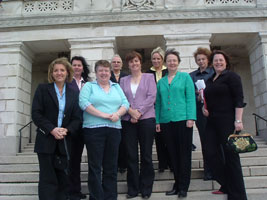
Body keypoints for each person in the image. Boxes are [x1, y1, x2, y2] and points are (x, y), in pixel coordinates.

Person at [32, 57, 81, 200]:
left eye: (62, 70)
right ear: (51, 73)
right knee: (47, 178)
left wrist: (67, 130)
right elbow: (36, 113)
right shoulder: (42, 89)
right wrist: (52, 129)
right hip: (46, 139)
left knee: (63, 178)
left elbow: (77, 118)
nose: (59, 73)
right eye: (56, 70)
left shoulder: (74, 94)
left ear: (67, 73)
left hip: (65, 140)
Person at [79, 60, 129, 200]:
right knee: (95, 166)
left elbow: (125, 103)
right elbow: (83, 102)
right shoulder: (89, 86)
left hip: (114, 129)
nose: (104, 73)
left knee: (111, 166)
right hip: (93, 130)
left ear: (110, 72)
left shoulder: (116, 87)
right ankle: (96, 197)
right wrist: (104, 115)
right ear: (96, 72)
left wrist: (118, 114)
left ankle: (110, 196)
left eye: (106, 70)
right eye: (101, 70)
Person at [203, 50, 247, 200]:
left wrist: (238, 120)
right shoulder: (210, 80)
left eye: (221, 60)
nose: (218, 63)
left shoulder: (232, 76)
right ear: (212, 63)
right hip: (212, 121)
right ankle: (226, 183)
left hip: (228, 120)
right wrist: (204, 108)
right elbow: (207, 99)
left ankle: (238, 195)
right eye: (215, 61)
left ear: (226, 62)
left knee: (231, 157)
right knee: (210, 153)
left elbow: (239, 98)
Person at [155, 48, 196, 198]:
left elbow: (191, 98)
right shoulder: (161, 82)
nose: (172, 62)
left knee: (184, 154)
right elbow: (158, 103)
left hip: (183, 120)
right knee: (172, 154)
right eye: (169, 60)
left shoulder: (185, 77)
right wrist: (158, 121)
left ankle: (183, 186)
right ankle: (177, 184)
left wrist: (191, 117)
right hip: (166, 121)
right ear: (165, 63)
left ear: (178, 62)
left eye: (174, 60)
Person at [120, 51, 156, 199]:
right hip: (128, 121)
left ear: (140, 62)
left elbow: (152, 96)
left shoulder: (149, 77)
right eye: (131, 62)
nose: (134, 64)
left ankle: (146, 188)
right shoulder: (123, 80)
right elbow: (121, 98)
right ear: (128, 65)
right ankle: (133, 189)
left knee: (146, 155)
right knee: (131, 155)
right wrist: (131, 112)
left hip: (146, 119)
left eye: (136, 61)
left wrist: (138, 113)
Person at [190, 47, 214, 181]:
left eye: (203, 59)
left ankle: (220, 168)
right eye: (198, 59)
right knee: (205, 142)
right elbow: (189, 94)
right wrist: (197, 98)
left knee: (218, 143)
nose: (201, 61)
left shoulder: (214, 73)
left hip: (215, 112)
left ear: (207, 59)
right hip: (201, 112)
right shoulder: (192, 76)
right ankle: (208, 171)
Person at [68, 56, 90, 200]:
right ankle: (71, 191)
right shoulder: (66, 83)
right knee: (72, 160)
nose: (76, 67)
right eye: (74, 65)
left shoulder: (88, 84)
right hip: (71, 126)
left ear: (83, 68)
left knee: (78, 160)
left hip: (86, 125)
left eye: (79, 65)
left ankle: (77, 190)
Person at [146, 47, 171, 173]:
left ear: (162, 60)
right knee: (158, 137)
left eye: (158, 59)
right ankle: (162, 163)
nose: (156, 61)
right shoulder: (147, 73)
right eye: (154, 59)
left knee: (169, 136)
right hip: (153, 108)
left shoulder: (169, 71)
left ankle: (171, 162)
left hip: (167, 107)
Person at [110, 54, 128, 174]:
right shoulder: (106, 75)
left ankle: (123, 164)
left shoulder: (127, 76)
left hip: (125, 113)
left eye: (118, 62)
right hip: (111, 113)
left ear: (121, 64)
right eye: (114, 62)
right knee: (113, 142)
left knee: (124, 141)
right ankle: (114, 164)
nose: (116, 64)